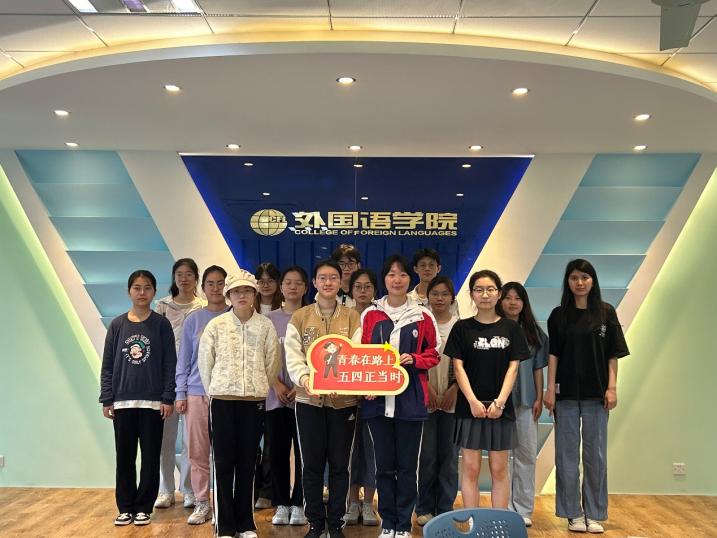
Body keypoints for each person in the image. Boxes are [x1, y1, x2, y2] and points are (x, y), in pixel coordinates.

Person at [543, 259, 629, 534]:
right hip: (565, 395)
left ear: (593, 280)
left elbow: (613, 354)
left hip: (597, 395)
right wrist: (549, 389)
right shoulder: (559, 315)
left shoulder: (606, 312)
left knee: (596, 456)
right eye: (574, 278)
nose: (579, 283)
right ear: (567, 282)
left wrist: (612, 388)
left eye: (584, 277)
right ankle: (573, 514)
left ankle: (594, 514)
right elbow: (553, 355)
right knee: (566, 457)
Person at [361, 254, 440, 538]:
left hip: (411, 400)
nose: (397, 280)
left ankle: (404, 524)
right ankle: (388, 522)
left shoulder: (422, 315)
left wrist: (415, 359)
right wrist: (367, 386)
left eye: (403, 274)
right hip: (377, 402)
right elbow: (361, 355)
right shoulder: (370, 314)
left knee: (408, 467)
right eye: (391, 274)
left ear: (410, 278)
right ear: (384, 279)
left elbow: (434, 352)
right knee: (384, 466)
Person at [198, 269, 280, 538]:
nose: (242, 295)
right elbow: (205, 363)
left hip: (253, 402)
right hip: (222, 401)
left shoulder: (265, 325)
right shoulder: (216, 326)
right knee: (222, 462)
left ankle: (245, 523)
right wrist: (216, 390)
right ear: (228, 296)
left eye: (247, 291)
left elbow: (272, 363)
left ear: (254, 294)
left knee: (248, 461)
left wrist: (259, 387)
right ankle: (224, 525)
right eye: (236, 291)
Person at [286, 259, 362, 538]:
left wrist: (342, 382)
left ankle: (336, 524)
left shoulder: (353, 317)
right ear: (314, 283)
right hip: (308, 402)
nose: (328, 282)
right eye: (322, 277)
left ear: (341, 282)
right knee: (312, 465)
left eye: (333, 277)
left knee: (341, 466)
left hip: (344, 403)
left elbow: (355, 353)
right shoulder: (300, 316)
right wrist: (306, 380)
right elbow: (293, 356)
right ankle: (316, 524)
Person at [445, 270, 530, 510]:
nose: (485, 295)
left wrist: (500, 402)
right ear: (472, 294)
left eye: (490, 289)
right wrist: (472, 401)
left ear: (498, 294)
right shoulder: (462, 328)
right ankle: (473, 520)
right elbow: (458, 368)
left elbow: (513, 368)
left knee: (499, 469)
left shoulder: (511, 329)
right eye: (479, 290)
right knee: (470, 469)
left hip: (500, 409)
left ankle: (499, 523)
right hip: (469, 409)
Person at [100, 270, 177, 527]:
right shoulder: (117, 325)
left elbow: (170, 363)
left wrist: (168, 397)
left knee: (150, 457)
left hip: (153, 403)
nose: (141, 292)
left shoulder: (161, 324)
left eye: (147, 287)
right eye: (136, 287)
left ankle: (144, 507)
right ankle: (125, 507)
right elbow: (108, 365)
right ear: (129, 291)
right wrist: (107, 398)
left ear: (154, 291)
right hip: (122, 403)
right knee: (124, 457)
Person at [175, 265, 229, 525]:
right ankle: (202, 501)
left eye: (220, 283)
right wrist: (180, 393)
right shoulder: (193, 320)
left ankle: (226, 503)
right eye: (210, 283)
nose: (216, 288)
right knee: (197, 452)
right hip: (197, 393)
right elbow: (184, 360)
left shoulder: (236, 316)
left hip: (228, 395)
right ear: (203, 287)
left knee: (227, 452)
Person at [497, 282, 548, 528]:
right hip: (499, 402)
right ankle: (504, 506)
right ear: (500, 301)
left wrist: (539, 397)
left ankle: (524, 508)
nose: (513, 302)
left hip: (526, 401)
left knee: (526, 454)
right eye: (508, 297)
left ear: (524, 302)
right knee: (501, 458)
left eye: (518, 298)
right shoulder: (494, 328)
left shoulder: (534, 333)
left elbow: (538, 368)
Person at [155, 258, 204, 510]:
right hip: (166, 381)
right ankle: (165, 489)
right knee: (165, 439)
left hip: (194, 381)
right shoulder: (162, 306)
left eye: (189, 274)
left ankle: (189, 490)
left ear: (196, 278)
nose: (184, 279)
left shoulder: (204, 307)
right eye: (179, 275)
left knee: (190, 442)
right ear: (174, 278)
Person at [266, 266, 309, 527]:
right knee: (277, 453)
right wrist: (276, 384)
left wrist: (300, 386)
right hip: (276, 397)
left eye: (298, 283)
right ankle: (281, 503)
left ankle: (300, 503)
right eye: (288, 282)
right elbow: (262, 356)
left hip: (305, 397)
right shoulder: (268, 319)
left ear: (306, 288)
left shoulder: (312, 316)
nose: (293, 287)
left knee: (305, 455)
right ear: (281, 287)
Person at [415, 276, 460, 526]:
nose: (440, 298)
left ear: (452, 298)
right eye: (435, 294)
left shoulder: (461, 326)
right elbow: (414, 359)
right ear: (427, 297)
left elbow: (468, 364)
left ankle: (445, 508)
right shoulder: (420, 323)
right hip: (426, 400)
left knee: (450, 459)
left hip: (454, 401)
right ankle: (424, 507)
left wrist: (455, 388)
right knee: (427, 457)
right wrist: (427, 388)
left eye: (445, 294)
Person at [344, 269, 379, 527]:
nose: (363, 291)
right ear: (350, 289)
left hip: (374, 396)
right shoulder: (344, 316)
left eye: (368, 286)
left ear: (375, 290)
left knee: (371, 451)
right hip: (346, 397)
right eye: (358, 286)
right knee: (348, 452)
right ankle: (352, 502)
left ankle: (368, 503)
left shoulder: (381, 317)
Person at [253, 261, 282, 508]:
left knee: (273, 443)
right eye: (261, 280)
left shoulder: (284, 310)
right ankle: (252, 490)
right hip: (251, 386)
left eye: (270, 280)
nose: (265, 285)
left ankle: (268, 491)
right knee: (250, 441)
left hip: (276, 387)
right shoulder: (244, 308)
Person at [408, 248, 459, 317]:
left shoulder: (450, 300)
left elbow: (455, 323)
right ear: (416, 269)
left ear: (438, 268)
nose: (427, 269)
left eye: (431, 265)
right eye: (423, 265)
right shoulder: (407, 300)